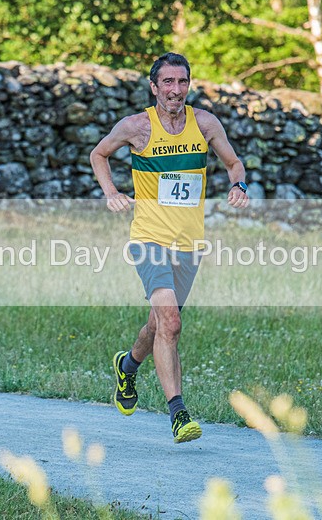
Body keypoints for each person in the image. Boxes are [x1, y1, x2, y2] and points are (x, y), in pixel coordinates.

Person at [90, 52, 249, 443]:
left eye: (182, 82)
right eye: (168, 82)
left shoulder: (205, 123)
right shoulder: (136, 126)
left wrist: (238, 185)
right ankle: (178, 413)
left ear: (189, 85)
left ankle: (128, 367)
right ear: (154, 86)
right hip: (149, 238)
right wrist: (111, 192)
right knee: (172, 324)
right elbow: (99, 154)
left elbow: (234, 163)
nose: (175, 90)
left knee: (159, 323)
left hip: (189, 243)